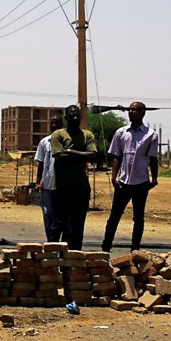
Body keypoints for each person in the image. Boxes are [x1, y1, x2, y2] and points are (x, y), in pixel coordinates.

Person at [101, 102, 159, 252]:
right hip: (123, 182)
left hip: (141, 182)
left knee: (138, 218)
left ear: (143, 113)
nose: (131, 112)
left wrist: (154, 179)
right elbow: (117, 156)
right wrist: (114, 177)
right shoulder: (121, 132)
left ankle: (135, 250)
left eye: (135, 110)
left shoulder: (151, 134)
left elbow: (153, 158)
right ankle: (105, 248)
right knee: (114, 216)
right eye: (130, 110)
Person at [49, 104, 98, 250]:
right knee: (58, 223)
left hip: (81, 188)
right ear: (66, 118)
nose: (75, 118)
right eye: (72, 116)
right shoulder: (58, 134)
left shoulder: (87, 135)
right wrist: (82, 154)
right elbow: (59, 156)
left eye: (78, 115)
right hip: (61, 187)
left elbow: (93, 156)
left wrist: (70, 151)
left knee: (77, 224)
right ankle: (52, 253)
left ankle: (74, 254)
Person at [34, 112, 64, 241]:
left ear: (61, 124)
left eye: (57, 123)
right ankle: (51, 241)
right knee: (48, 214)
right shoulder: (44, 142)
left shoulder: (66, 141)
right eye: (52, 123)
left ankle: (58, 241)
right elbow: (41, 163)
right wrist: (37, 182)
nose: (54, 125)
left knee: (61, 215)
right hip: (47, 185)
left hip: (63, 185)